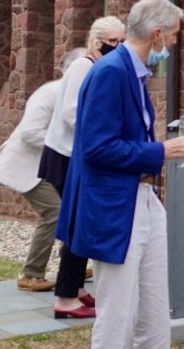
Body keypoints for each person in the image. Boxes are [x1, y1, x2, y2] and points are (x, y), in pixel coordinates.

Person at [57, 0, 184, 349]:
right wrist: (161, 151)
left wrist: (153, 156)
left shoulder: (133, 73)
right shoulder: (110, 72)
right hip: (115, 207)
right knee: (116, 314)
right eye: (173, 36)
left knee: (156, 309)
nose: (173, 45)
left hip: (141, 200)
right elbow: (96, 149)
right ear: (157, 33)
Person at [40, 16, 125, 318]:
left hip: (77, 154)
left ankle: (74, 288)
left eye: (121, 41)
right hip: (66, 155)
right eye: (112, 41)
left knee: (80, 224)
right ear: (98, 39)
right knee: (79, 226)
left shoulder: (95, 66)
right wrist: (102, 138)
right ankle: (65, 298)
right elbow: (71, 113)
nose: (117, 47)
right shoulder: (83, 66)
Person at [0, 47, 83, 291]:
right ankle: (31, 274)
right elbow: (31, 133)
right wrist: (69, 145)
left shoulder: (74, 94)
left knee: (74, 211)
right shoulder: (50, 93)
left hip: (54, 166)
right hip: (31, 166)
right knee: (55, 213)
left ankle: (72, 267)